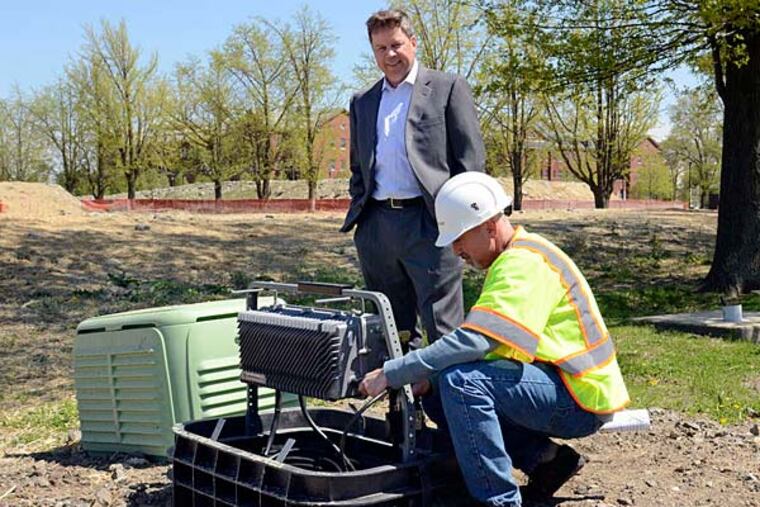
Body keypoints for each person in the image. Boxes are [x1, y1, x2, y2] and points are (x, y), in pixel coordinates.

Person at [359, 172, 630, 507]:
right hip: (563, 385)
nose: (456, 250)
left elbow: (473, 342)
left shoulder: (523, 264)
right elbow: (495, 345)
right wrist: (428, 378)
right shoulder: (514, 258)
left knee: (461, 383)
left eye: (459, 238)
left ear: (489, 225)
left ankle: (498, 501)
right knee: (440, 388)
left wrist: (397, 371)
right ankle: (546, 462)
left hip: (580, 396)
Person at [340, 9, 485, 352]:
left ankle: (446, 405)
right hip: (377, 229)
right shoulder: (362, 101)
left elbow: (470, 163)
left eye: (396, 44)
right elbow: (358, 169)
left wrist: (465, 226)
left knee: (444, 329)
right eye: (380, 48)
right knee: (390, 331)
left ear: (413, 43)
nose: (390, 55)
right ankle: (400, 406)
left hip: (431, 224)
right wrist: (365, 222)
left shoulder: (448, 88)